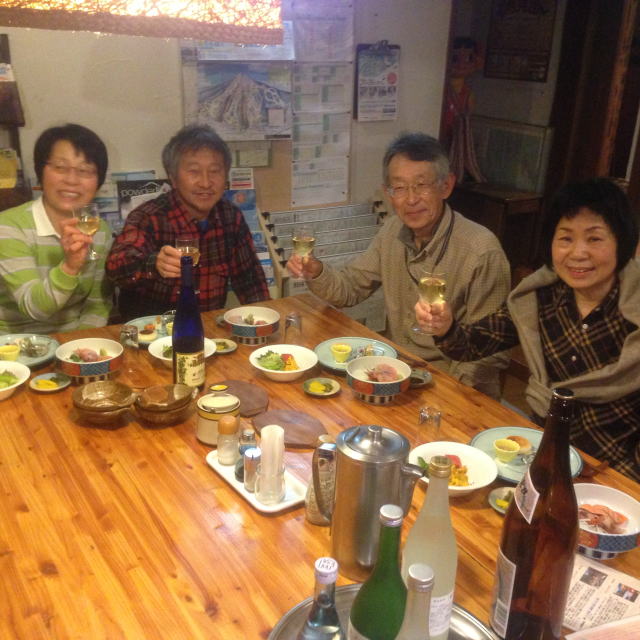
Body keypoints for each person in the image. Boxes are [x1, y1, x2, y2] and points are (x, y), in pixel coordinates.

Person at [417, 178, 640, 481]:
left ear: (622, 242)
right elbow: (472, 344)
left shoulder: (632, 312)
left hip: (613, 470)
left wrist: (623, 483)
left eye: (594, 239)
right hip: (537, 451)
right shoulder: (539, 297)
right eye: (566, 238)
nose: (578, 253)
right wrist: (445, 327)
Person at [287, 132, 511, 399]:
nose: (411, 199)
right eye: (400, 188)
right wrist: (316, 271)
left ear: (446, 186)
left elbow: (491, 352)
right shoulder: (392, 230)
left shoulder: (481, 250)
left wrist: (448, 395)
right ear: (388, 193)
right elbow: (350, 288)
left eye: (421, 185)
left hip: (454, 386)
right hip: (397, 373)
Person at [106, 124, 269, 319]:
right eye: (194, 171)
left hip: (209, 329)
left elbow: (250, 280)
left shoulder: (230, 217)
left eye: (215, 171)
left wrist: (264, 319)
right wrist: (154, 264)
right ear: (173, 178)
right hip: (153, 332)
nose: (205, 183)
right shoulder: (149, 217)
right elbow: (116, 266)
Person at [0, 123, 112, 333]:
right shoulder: (8, 227)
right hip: (14, 343)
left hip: (74, 340)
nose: (71, 180)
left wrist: (82, 344)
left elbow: (97, 304)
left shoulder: (99, 230)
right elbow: (33, 308)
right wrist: (70, 267)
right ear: (41, 172)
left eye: (85, 170)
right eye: (60, 167)